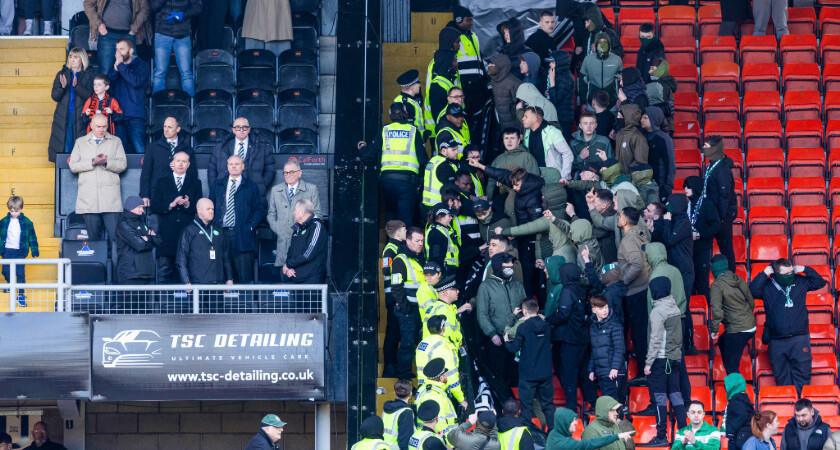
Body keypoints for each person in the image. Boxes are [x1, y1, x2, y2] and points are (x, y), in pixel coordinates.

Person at [750, 260, 826, 392]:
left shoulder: (800, 281)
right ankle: (787, 403)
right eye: (785, 274)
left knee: (803, 379)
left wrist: (804, 269)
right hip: (776, 341)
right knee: (782, 380)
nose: (790, 275)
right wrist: (764, 273)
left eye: (791, 272)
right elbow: (752, 291)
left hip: (799, 339)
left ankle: (801, 404)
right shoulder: (768, 286)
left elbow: (820, 282)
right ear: (775, 273)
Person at [68, 113, 128, 241]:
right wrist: (92, 162)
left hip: (110, 199)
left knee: (116, 238)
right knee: (94, 240)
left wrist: (106, 162)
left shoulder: (116, 141)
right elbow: (73, 166)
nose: (101, 129)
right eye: (98, 126)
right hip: (89, 199)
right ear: (91, 125)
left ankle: (114, 256)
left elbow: (122, 164)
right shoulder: (80, 142)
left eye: (104, 126)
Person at [476, 252, 525, 403]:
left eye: (511, 266)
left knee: (516, 372)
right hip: (497, 338)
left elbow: (525, 307)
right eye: (506, 266)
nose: (510, 268)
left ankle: (519, 404)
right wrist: (492, 334)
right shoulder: (486, 287)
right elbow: (482, 314)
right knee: (500, 372)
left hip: (516, 338)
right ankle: (506, 404)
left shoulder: (517, 285)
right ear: (498, 267)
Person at [645, 277, 687, 446]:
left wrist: (649, 363)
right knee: (676, 396)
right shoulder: (674, 307)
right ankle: (684, 433)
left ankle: (661, 436)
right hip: (674, 359)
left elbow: (655, 339)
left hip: (661, 360)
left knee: (659, 398)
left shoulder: (657, 311)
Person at [211, 155, 265, 284]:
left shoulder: (251, 186)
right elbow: (211, 206)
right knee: (222, 276)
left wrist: (250, 226)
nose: (234, 166)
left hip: (242, 235)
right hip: (220, 234)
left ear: (243, 166)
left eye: (237, 164)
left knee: (244, 277)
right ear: (227, 166)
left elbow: (259, 210)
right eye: (231, 164)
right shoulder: (218, 184)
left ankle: (245, 298)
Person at [150, 151, 202, 283]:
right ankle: (164, 296)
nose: (180, 164)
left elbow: (199, 207)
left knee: (187, 270)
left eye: (184, 161)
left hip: (187, 233)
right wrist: (171, 205)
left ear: (188, 164)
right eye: (178, 161)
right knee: (165, 271)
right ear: (172, 163)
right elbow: (154, 206)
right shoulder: (161, 181)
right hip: (167, 233)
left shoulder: (196, 183)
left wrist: (188, 204)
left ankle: (187, 297)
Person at [505, 299, 555, 430]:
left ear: (524, 311)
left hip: (528, 374)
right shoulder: (547, 326)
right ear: (537, 309)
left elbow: (514, 348)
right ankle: (552, 433)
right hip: (545, 372)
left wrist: (506, 341)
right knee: (548, 405)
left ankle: (529, 434)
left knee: (526, 406)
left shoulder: (523, 327)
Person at [546, 263, 590, 411]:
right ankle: (591, 402)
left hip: (571, 338)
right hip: (583, 336)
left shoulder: (567, 291)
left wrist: (548, 320)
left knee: (568, 373)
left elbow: (563, 314)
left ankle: (571, 407)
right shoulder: (582, 288)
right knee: (583, 371)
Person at [267, 159, 322, 274]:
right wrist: (278, 228)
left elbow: (317, 214)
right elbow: (271, 214)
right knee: (283, 274)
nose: (288, 175)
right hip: (282, 241)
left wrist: (298, 228)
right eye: (285, 172)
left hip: (303, 240)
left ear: (299, 173)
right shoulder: (276, 190)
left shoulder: (311, 189)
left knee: (299, 273)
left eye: (291, 172)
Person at [617, 207, 651, 374]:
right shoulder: (642, 233)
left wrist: (623, 281)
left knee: (639, 333)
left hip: (635, 291)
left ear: (625, 220)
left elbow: (636, 264)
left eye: (620, 215)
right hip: (645, 287)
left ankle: (643, 372)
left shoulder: (628, 240)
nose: (618, 218)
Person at [710, 255, 756, 375]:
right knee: (722, 341)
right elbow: (751, 302)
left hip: (737, 329)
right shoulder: (737, 278)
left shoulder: (716, 285)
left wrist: (714, 329)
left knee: (731, 367)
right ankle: (732, 378)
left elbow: (717, 310)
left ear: (714, 270)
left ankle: (736, 386)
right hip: (750, 325)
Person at [390, 227, 425, 379]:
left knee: (418, 343)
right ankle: (403, 377)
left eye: (422, 241)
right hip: (409, 310)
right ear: (408, 241)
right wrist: (406, 308)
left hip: (421, 309)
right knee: (407, 344)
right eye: (417, 241)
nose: (420, 243)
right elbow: (396, 287)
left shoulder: (420, 257)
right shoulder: (400, 260)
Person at [209, 117, 276, 197]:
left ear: (249, 129)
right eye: (238, 127)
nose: (241, 130)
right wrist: (216, 189)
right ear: (233, 130)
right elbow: (212, 169)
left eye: (244, 127)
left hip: (253, 193)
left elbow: (270, 169)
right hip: (226, 192)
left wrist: (261, 186)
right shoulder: (220, 147)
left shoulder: (262, 147)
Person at [48, 48, 94, 161]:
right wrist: (62, 87)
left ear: (82, 59)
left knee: (80, 143)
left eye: (75, 57)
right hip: (64, 114)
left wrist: (77, 87)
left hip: (81, 115)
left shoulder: (89, 75)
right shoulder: (62, 74)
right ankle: (65, 168)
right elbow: (55, 96)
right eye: (70, 56)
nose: (72, 59)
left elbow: (91, 96)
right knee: (65, 143)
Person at [447, 6, 486, 135]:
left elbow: (478, 58)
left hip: (476, 84)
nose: (471, 23)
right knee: (465, 116)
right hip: (463, 84)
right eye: (468, 20)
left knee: (477, 116)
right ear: (459, 20)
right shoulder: (453, 37)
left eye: (472, 20)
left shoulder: (473, 36)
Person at [176, 198, 233, 286]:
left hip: (218, 284)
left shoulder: (219, 231)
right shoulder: (189, 231)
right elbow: (181, 258)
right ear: (199, 211)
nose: (211, 211)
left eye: (212, 209)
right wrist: (186, 281)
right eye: (208, 209)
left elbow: (226, 257)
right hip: (197, 285)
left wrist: (229, 278)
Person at [140, 116, 196, 205]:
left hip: (180, 196)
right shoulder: (152, 148)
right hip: (158, 195)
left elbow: (193, 174)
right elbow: (146, 173)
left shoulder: (187, 149)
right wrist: (145, 195)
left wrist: (180, 170)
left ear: (178, 129)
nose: (166, 130)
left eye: (170, 127)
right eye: (164, 126)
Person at [83, 0, 151, 74]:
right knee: (105, 73)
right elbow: (88, 4)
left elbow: (145, 9)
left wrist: (134, 28)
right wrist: (98, 24)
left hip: (128, 35)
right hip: (106, 35)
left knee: (131, 71)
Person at [151, 0, 202, 96]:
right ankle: (158, 103)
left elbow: (198, 7)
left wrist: (183, 14)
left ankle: (189, 103)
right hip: (162, 33)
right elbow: (153, 7)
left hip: (182, 34)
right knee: (160, 72)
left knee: (186, 73)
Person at [701, 136, 737, 272]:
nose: (703, 148)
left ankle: (731, 276)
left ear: (715, 148)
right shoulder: (711, 165)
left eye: (706, 146)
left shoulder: (722, 169)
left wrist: (720, 217)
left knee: (726, 249)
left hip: (721, 216)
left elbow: (724, 195)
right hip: (713, 213)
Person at [685, 176, 721, 298]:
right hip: (688, 248)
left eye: (688, 187)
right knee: (690, 281)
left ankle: (705, 306)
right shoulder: (686, 204)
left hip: (703, 248)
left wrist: (700, 234)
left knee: (702, 281)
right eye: (685, 186)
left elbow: (716, 225)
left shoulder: (707, 204)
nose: (685, 189)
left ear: (695, 187)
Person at [0, 196, 39, 306]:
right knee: (5, 271)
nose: (13, 213)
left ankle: (21, 295)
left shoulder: (27, 222)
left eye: (16, 211)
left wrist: (34, 250)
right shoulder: (3, 221)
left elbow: (32, 237)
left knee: (20, 273)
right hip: (7, 250)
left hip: (20, 251)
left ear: (21, 209)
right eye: (11, 211)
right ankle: (10, 284)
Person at [588, 295, 626, 403]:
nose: (605, 310)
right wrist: (591, 369)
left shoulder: (615, 325)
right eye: (601, 308)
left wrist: (615, 368)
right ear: (594, 310)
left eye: (606, 307)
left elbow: (619, 348)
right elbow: (594, 350)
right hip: (601, 373)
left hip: (614, 373)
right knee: (608, 405)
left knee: (615, 405)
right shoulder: (593, 327)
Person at [486, 128, 540, 203]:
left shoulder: (527, 157)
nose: (509, 141)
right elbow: (491, 183)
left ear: (519, 140)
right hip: (502, 200)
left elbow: (535, 181)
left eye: (512, 138)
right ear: (503, 140)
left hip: (523, 199)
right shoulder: (498, 160)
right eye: (506, 138)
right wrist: (489, 200)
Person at [115, 196, 161, 284]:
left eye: (142, 207)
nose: (142, 210)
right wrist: (149, 237)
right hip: (130, 273)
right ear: (130, 207)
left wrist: (146, 238)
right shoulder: (123, 224)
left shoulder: (142, 222)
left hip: (146, 271)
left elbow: (158, 240)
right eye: (139, 207)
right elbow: (140, 245)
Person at [381, 220, 406, 377]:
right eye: (404, 229)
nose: (406, 232)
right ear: (397, 232)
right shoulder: (391, 248)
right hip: (393, 296)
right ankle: (389, 367)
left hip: (397, 296)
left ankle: (394, 366)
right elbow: (386, 270)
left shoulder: (398, 247)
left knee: (397, 332)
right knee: (393, 332)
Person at [521, 106, 573, 179]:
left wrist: (564, 176)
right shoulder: (527, 133)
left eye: (526, 116)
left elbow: (567, 153)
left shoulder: (553, 132)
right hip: (534, 177)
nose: (523, 118)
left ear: (536, 117)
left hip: (552, 176)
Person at [415, 358, 462, 438]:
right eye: (444, 375)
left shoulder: (425, 388)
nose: (446, 376)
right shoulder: (434, 395)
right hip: (444, 439)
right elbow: (439, 424)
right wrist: (448, 442)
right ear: (441, 378)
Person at [283, 199, 327, 284]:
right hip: (295, 278)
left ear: (301, 212)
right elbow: (291, 250)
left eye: (295, 210)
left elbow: (308, 254)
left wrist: (288, 264)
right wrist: (288, 268)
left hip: (311, 280)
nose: (293, 213)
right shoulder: (297, 228)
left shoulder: (317, 226)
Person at [546, 408, 634, 450]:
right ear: (564, 423)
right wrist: (617, 436)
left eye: (575, 419)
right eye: (572, 421)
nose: (576, 422)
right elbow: (590, 444)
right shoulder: (563, 444)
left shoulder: (554, 433)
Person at [579, 33, 622, 105]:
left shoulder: (617, 60)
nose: (602, 45)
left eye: (605, 42)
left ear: (609, 44)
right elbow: (582, 83)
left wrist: (620, 99)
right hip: (592, 103)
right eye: (600, 42)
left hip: (612, 103)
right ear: (596, 45)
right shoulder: (587, 60)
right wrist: (583, 102)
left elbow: (621, 82)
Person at [424, 50, 459, 137]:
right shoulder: (438, 86)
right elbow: (439, 114)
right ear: (448, 63)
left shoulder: (447, 81)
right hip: (441, 132)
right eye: (454, 60)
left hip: (447, 130)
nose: (457, 63)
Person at [642, 107, 674, 201]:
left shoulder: (664, 139)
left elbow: (670, 164)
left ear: (654, 119)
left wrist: (667, 187)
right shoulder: (641, 136)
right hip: (644, 183)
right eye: (642, 117)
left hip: (660, 184)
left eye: (645, 118)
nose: (642, 120)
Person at [421, 139, 460, 211]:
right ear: (444, 151)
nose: (457, 152)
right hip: (439, 205)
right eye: (453, 150)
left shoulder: (432, 160)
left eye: (457, 149)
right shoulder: (445, 165)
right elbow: (452, 187)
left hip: (426, 203)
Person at [488, 54, 523, 133]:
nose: (489, 66)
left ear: (501, 65)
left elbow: (521, 106)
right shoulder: (493, 80)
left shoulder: (514, 83)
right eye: (489, 64)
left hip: (515, 125)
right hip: (502, 123)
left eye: (492, 64)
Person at [547, 51, 575, 142]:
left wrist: (552, 83)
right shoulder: (557, 75)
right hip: (558, 116)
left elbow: (556, 100)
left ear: (560, 62)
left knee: (563, 144)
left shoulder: (566, 78)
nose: (550, 64)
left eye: (552, 62)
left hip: (563, 118)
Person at [724, 373, 756, 450]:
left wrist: (731, 431)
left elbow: (741, 415)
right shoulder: (743, 398)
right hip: (746, 434)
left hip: (739, 435)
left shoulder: (735, 400)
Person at [615, 103, 649, 176]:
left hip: (631, 178)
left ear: (628, 118)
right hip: (619, 177)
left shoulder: (638, 138)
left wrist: (629, 176)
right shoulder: (619, 134)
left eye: (620, 116)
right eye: (617, 115)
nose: (617, 118)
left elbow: (640, 162)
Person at [381, 379, 415, 450]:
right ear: (410, 394)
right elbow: (405, 441)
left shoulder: (386, 407)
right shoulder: (406, 412)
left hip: (383, 447)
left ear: (395, 393)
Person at [394, 69, 429, 138]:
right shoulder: (405, 103)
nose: (419, 85)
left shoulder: (411, 100)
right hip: (411, 142)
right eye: (418, 83)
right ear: (412, 87)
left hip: (416, 141)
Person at [588, 189, 619, 263]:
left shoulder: (610, 216)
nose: (592, 204)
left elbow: (592, 233)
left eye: (594, 202)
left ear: (604, 205)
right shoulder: (602, 214)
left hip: (610, 258)